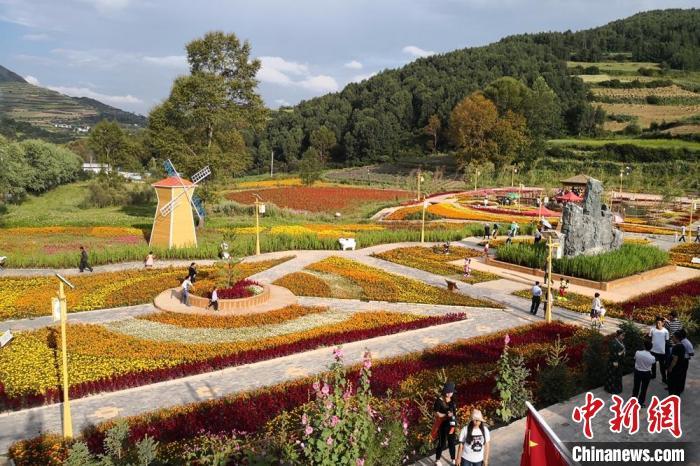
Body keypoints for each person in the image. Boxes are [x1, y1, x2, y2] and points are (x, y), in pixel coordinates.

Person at [432, 381, 457, 466]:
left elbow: (454, 410)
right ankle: (437, 459)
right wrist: (445, 415)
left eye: (451, 392)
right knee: (442, 443)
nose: (450, 394)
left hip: (451, 424)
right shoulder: (439, 401)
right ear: (444, 391)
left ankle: (453, 459)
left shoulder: (453, 399)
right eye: (448, 392)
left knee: (452, 442)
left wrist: (454, 417)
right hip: (442, 424)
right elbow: (435, 413)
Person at [632, 340, 656, 407]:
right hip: (646, 373)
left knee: (636, 387)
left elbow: (635, 359)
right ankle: (640, 402)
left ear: (644, 346)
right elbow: (652, 364)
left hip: (637, 372)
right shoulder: (652, 358)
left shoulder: (637, 353)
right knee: (644, 388)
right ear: (651, 348)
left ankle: (633, 401)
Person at [667, 331, 689, 396]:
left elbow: (675, 360)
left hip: (674, 369)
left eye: (673, 337)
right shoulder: (682, 346)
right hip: (680, 368)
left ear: (677, 338)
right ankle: (676, 397)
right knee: (677, 386)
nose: (672, 338)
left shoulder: (676, 347)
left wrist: (670, 368)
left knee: (671, 385)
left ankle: (671, 398)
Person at [648, 317, 669, 383]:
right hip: (653, 350)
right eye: (656, 323)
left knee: (662, 366)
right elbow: (649, 338)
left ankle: (664, 379)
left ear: (663, 323)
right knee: (653, 364)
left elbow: (667, 341)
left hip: (661, 352)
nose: (658, 324)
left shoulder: (665, 331)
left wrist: (666, 352)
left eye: (659, 323)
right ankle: (653, 375)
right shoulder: (652, 329)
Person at [605, 330, 625, 394]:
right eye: (622, 335)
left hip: (619, 361)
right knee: (614, 376)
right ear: (618, 336)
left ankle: (618, 388)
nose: (623, 337)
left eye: (624, 336)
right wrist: (621, 352)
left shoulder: (620, 341)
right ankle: (613, 389)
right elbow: (614, 354)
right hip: (615, 362)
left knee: (618, 375)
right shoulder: (614, 343)